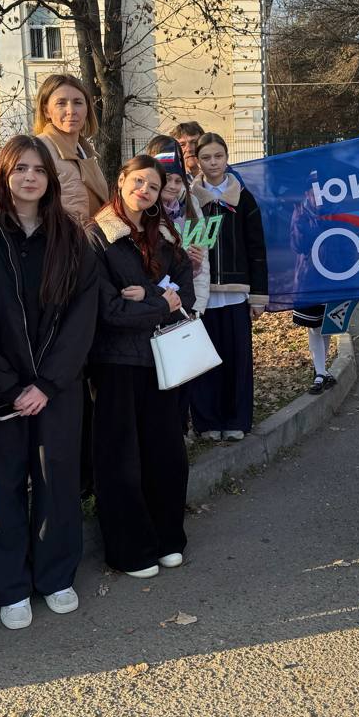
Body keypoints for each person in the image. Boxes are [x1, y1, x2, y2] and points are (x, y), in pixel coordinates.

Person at [0, 135, 98, 631]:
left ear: (50, 180)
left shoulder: (72, 240)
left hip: (56, 389)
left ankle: (55, 574)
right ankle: (7, 585)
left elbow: (83, 319)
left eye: (38, 170)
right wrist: (6, 385)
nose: (29, 178)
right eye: (19, 168)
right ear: (3, 176)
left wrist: (47, 382)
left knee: (56, 479)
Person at [87, 154, 196, 578]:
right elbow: (108, 310)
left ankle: (169, 537)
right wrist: (159, 301)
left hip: (164, 356)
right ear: (121, 181)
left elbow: (182, 295)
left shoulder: (165, 235)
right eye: (138, 182)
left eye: (152, 186)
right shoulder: (95, 236)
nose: (144, 191)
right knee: (120, 458)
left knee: (166, 453)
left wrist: (146, 300)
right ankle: (131, 549)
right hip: (116, 362)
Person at [189, 133, 269, 442]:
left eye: (218, 157)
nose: (212, 163)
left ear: (226, 158)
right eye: (206, 158)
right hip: (203, 296)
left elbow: (257, 250)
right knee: (205, 359)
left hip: (236, 295)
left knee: (237, 359)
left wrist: (258, 296)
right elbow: (192, 247)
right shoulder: (192, 199)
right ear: (197, 160)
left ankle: (237, 419)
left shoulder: (244, 198)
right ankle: (207, 421)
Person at [145, 135, 209, 434]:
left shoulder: (191, 204)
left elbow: (202, 256)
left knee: (185, 369)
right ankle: (165, 430)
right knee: (160, 372)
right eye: (165, 179)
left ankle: (180, 429)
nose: (172, 186)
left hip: (187, 299)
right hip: (157, 303)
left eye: (177, 179)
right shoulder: (145, 208)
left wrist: (194, 269)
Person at [33, 73, 110, 223]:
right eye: (61, 103)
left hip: (94, 243)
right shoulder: (37, 151)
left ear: (87, 108)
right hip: (60, 244)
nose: (71, 110)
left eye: (78, 102)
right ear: (46, 111)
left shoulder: (86, 153)